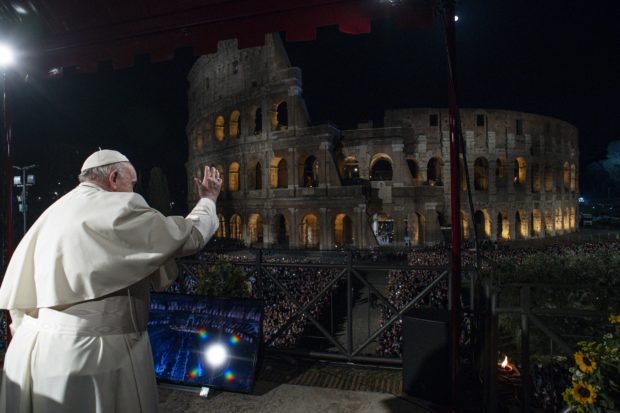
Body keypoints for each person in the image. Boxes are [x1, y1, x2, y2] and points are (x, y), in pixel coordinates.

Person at [0, 149, 222, 412]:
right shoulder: (121, 206)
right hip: (96, 355)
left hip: (33, 350)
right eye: (132, 182)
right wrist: (208, 200)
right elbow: (187, 237)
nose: (133, 189)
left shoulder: (52, 212)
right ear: (114, 178)